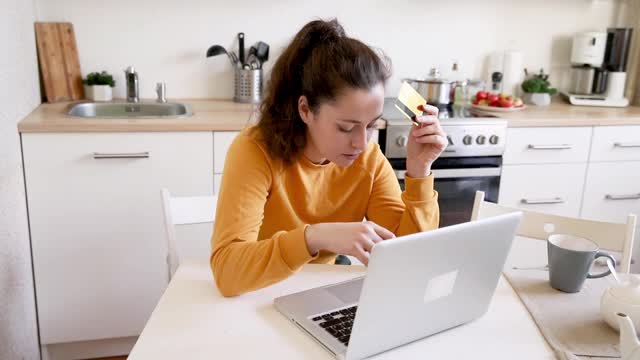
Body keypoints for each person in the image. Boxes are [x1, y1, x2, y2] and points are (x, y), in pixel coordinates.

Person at [211, 19, 447, 297]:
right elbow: (228, 273)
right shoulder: (254, 150)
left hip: (321, 292)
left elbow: (409, 260)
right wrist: (314, 237)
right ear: (306, 110)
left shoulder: (369, 157)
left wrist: (419, 171)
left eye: (371, 125)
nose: (361, 143)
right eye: (346, 127)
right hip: (258, 292)